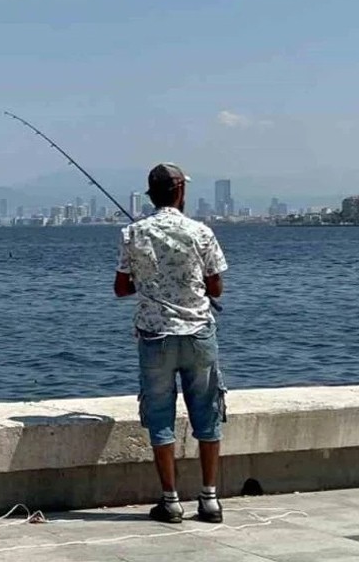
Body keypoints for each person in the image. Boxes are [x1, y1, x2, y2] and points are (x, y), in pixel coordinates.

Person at [114, 163, 228, 524]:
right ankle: (209, 500)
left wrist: (146, 286)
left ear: (152, 195)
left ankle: (171, 500)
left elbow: (120, 288)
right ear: (180, 191)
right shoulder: (201, 232)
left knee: (160, 417)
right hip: (198, 334)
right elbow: (216, 288)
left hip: (154, 337)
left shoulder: (133, 233)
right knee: (207, 413)